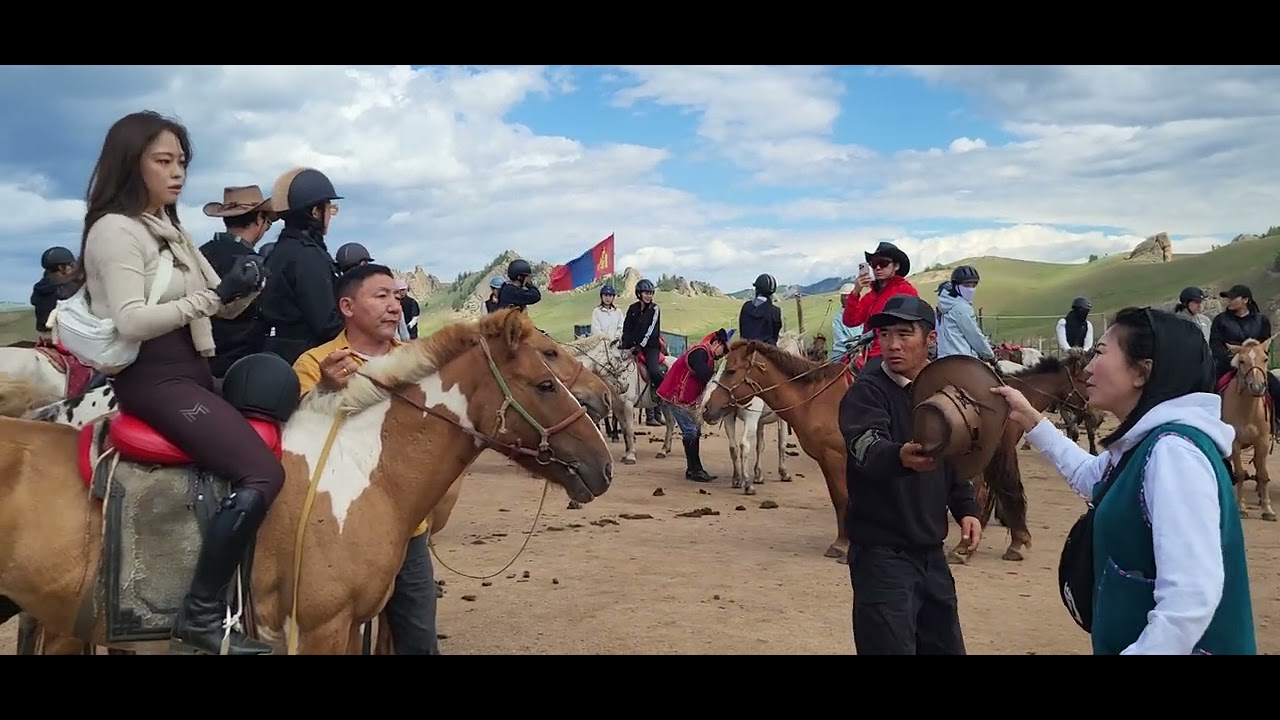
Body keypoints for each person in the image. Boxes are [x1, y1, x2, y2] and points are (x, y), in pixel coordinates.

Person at [77, 110, 282, 655]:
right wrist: (216, 298)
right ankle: (201, 614)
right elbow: (132, 321)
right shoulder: (115, 231)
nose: (178, 173)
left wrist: (247, 286)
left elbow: (223, 304)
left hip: (192, 370)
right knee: (261, 471)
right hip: (154, 378)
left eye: (182, 162)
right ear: (131, 163)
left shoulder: (171, 229)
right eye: (163, 161)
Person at [994, 307, 1255, 655]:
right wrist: (1031, 418)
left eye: (1100, 353)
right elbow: (1093, 478)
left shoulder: (1174, 454)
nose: (1086, 367)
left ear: (1141, 372)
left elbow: (1190, 599)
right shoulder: (1149, 444)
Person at [292, 263, 441, 654]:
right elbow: (300, 441)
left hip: (407, 527)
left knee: (419, 641)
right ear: (347, 306)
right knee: (338, 636)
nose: (394, 306)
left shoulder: (419, 362)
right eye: (381, 296)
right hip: (342, 530)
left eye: (396, 296)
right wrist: (325, 390)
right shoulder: (315, 364)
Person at [837, 293, 982, 655]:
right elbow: (864, 447)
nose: (892, 345)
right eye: (885, 335)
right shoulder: (867, 393)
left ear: (930, 339)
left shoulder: (944, 395)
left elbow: (953, 458)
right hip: (881, 557)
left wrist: (966, 507)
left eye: (904, 334)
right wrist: (897, 455)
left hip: (932, 554)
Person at [258, 167, 344, 364]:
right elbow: (327, 323)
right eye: (329, 209)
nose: (330, 215)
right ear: (315, 212)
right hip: (307, 359)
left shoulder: (281, 250)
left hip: (283, 355)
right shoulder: (307, 256)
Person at [198, 186, 276, 377]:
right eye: (267, 222)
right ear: (259, 219)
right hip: (239, 364)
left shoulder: (200, 253)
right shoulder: (254, 263)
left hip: (199, 360)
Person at [657, 328, 732, 482]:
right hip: (677, 397)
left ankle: (694, 469)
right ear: (716, 343)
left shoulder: (705, 354)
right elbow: (705, 374)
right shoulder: (700, 353)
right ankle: (694, 469)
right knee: (691, 431)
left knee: (693, 431)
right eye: (723, 351)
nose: (722, 355)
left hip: (682, 399)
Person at [842, 241, 919, 374]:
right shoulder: (871, 295)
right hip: (869, 351)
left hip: (891, 352)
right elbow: (850, 321)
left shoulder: (905, 290)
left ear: (896, 266)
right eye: (874, 264)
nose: (877, 268)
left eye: (883, 263)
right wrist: (856, 291)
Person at [1208, 284, 1280, 422]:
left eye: (1233, 298)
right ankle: (1212, 424)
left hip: (1255, 365)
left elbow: (1265, 345)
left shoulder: (1261, 320)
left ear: (1245, 300)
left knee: (1276, 388)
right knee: (1210, 390)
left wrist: (1255, 359)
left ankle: (1276, 422)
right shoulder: (1220, 320)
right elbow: (1215, 344)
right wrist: (1233, 358)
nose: (1229, 301)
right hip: (1229, 364)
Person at [934, 265, 995, 362]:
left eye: (974, 285)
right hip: (963, 359)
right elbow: (974, 336)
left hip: (943, 358)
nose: (971, 289)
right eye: (966, 285)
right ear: (955, 285)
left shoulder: (943, 304)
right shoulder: (962, 308)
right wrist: (990, 355)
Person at [620, 278, 665, 402]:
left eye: (650, 293)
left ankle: (661, 392)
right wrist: (625, 344)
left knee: (654, 370)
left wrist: (640, 346)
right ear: (639, 294)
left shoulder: (655, 309)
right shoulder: (632, 308)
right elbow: (627, 327)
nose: (648, 296)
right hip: (633, 346)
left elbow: (650, 330)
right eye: (646, 293)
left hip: (650, 346)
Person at [31, 246, 81, 345]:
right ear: (61, 268)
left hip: (43, 336)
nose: (73, 268)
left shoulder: (40, 287)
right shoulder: (68, 287)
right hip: (63, 338)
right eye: (71, 265)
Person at [738, 273, 782, 345]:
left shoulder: (746, 307)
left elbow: (742, 331)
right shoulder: (775, 311)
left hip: (746, 348)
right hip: (767, 350)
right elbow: (775, 337)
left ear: (757, 289)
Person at [829, 282, 863, 362]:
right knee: (834, 366)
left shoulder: (862, 311)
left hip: (862, 347)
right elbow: (838, 334)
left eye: (848, 295)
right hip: (842, 349)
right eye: (843, 295)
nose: (845, 298)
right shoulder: (837, 316)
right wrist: (848, 344)